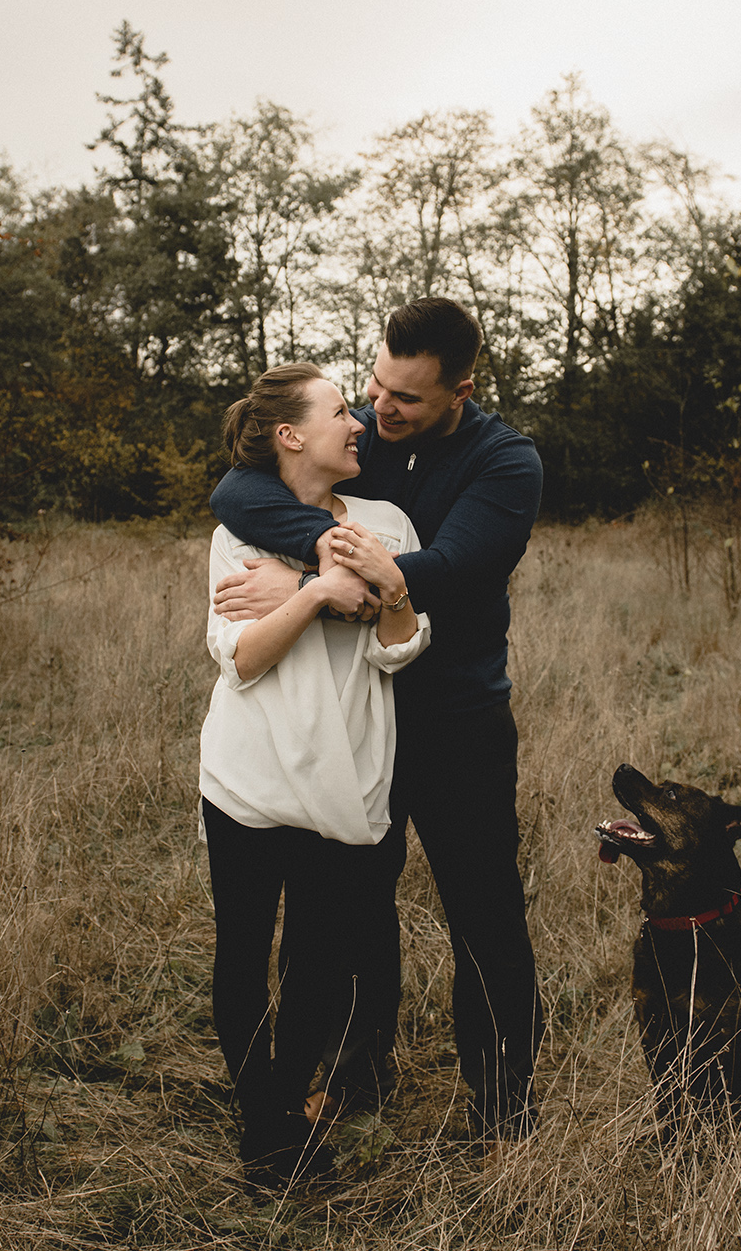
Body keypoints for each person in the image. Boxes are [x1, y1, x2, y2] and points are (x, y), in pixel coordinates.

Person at [209, 297, 544, 1139]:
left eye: (405, 399)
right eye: (373, 385)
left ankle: (502, 1111)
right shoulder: (357, 441)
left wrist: (302, 590)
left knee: (484, 916)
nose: (377, 410)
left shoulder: (505, 463)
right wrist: (326, 570)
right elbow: (239, 490)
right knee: (352, 910)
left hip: (456, 718)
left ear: (461, 389)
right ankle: (356, 1079)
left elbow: (454, 570)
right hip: (360, 719)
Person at [198, 362, 431, 1186]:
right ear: (291, 434)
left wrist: (382, 586)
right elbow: (243, 659)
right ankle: (268, 1130)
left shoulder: (384, 520)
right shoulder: (238, 532)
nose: (358, 422)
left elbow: (397, 646)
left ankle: (285, 1100)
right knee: (242, 955)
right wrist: (315, 593)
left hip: (349, 779)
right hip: (247, 779)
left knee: (320, 965)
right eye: (340, 411)